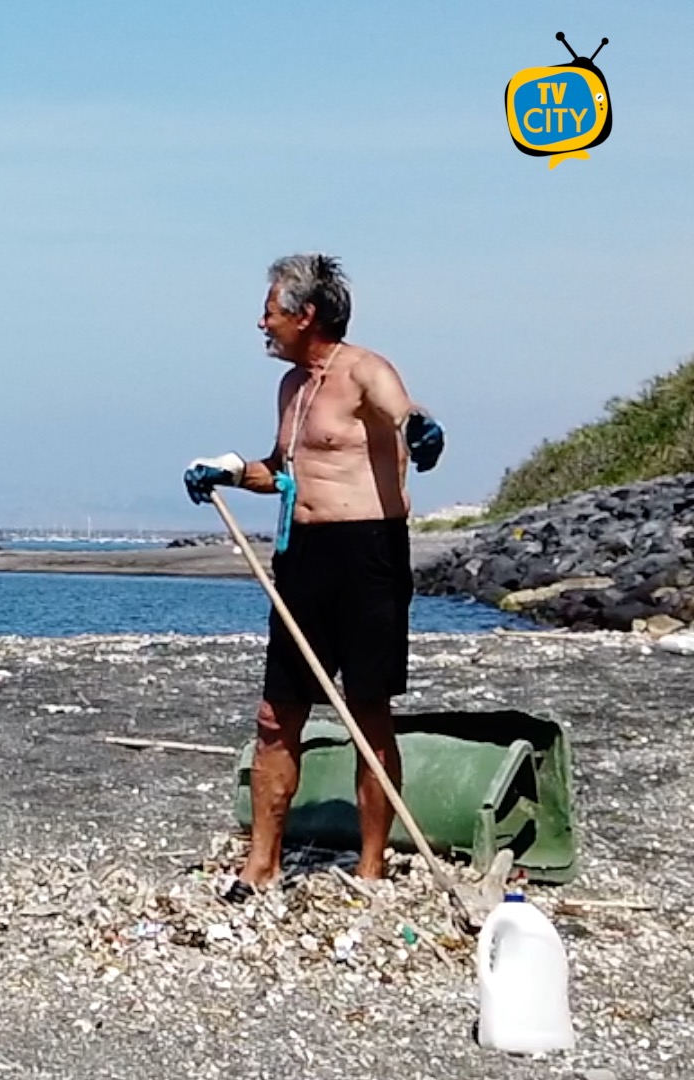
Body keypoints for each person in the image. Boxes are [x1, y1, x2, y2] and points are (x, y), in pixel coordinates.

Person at [182, 254, 445, 895]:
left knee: (367, 712)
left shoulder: (364, 370)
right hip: (302, 555)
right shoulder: (292, 386)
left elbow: (403, 413)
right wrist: (227, 471)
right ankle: (263, 865)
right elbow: (282, 468)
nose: (261, 322)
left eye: (271, 311)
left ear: (305, 314)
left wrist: (423, 430)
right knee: (277, 716)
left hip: (368, 554)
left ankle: (371, 866)